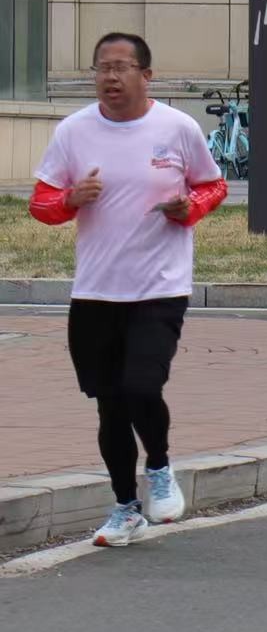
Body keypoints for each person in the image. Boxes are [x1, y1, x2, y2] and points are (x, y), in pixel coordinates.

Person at [31, 33, 227, 548]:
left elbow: (213, 185)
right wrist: (71, 199)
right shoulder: (74, 131)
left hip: (159, 287)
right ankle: (125, 508)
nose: (111, 77)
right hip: (96, 291)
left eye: (121, 67)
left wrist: (190, 208)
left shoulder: (177, 127)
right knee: (110, 404)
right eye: (102, 68)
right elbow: (41, 203)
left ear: (146, 75)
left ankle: (159, 468)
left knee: (142, 386)